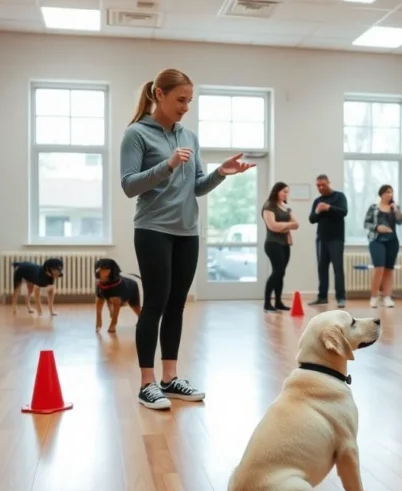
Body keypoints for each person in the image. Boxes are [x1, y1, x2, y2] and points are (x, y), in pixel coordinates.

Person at [120, 68, 254, 410]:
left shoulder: (189, 137)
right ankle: (147, 383)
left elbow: (196, 187)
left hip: (187, 231)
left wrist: (221, 174)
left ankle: (170, 377)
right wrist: (165, 166)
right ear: (159, 95)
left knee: (177, 305)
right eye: (180, 100)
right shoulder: (135, 134)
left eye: (189, 101)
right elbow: (129, 185)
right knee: (154, 305)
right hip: (152, 229)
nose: (185, 107)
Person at [308, 174, 348, 308]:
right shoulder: (317, 201)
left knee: (338, 268)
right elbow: (312, 219)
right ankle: (322, 297)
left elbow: (344, 212)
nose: (320, 188)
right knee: (322, 268)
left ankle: (341, 298)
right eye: (318, 185)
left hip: (336, 238)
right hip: (321, 239)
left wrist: (329, 208)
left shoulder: (339, 197)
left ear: (328, 183)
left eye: (323, 185)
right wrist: (318, 211)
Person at [363, 184, 402, 308]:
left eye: (391, 192)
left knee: (389, 269)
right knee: (379, 268)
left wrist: (395, 209)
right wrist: (377, 227)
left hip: (392, 241)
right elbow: (366, 223)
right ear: (381, 194)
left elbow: (400, 221)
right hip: (376, 240)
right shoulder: (373, 208)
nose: (390, 194)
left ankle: (387, 297)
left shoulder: (394, 208)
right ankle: (374, 297)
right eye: (387, 192)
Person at [261, 181, 298, 312]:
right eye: (284, 191)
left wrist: (282, 226)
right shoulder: (269, 207)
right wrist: (287, 225)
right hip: (272, 244)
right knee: (277, 271)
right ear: (277, 191)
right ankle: (267, 303)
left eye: (287, 192)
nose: (286, 194)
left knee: (281, 273)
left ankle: (278, 302)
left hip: (285, 244)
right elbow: (273, 226)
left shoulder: (285, 207)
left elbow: (296, 224)